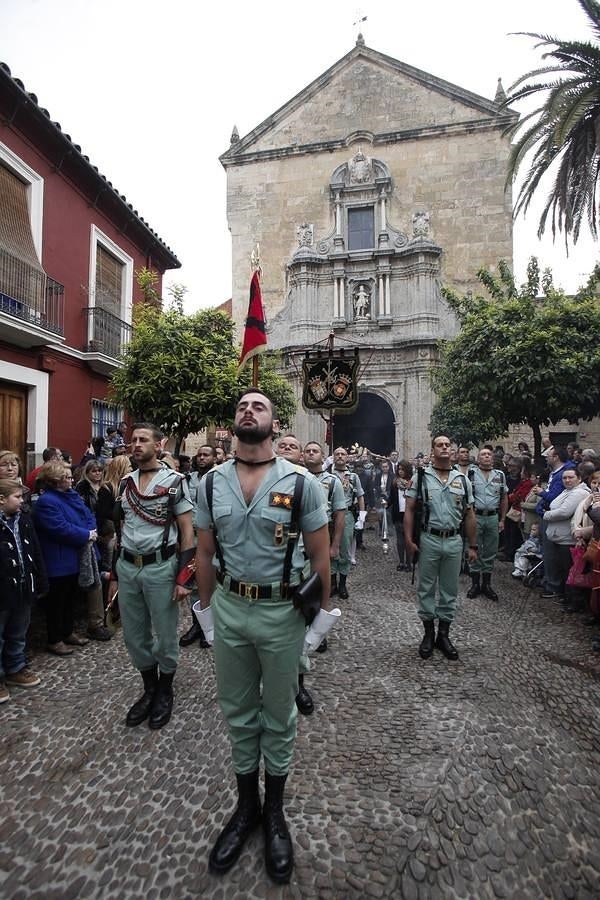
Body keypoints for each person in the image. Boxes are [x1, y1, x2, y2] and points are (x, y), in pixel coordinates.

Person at [194, 389, 330, 884]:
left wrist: (316, 629)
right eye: (242, 406)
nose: (248, 411)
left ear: (274, 422)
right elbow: (204, 554)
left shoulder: (301, 483)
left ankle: (274, 813)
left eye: (259, 407)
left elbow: (321, 558)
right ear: (234, 421)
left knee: (279, 715)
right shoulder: (210, 483)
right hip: (231, 608)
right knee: (237, 711)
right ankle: (245, 807)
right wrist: (208, 618)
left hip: (281, 613)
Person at [107, 423, 195, 730]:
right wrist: (115, 575)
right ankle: (149, 688)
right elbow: (120, 533)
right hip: (128, 567)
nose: (136, 444)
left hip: (161, 567)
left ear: (159, 445)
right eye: (133, 440)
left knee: (166, 634)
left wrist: (184, 578)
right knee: (133, 635)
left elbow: (187, 532)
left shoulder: (175, 482)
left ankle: (165, 689)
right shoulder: (125, 483)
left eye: (143, 439)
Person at [404, 435, 477, 661]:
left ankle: (443, 635)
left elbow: (469, 514)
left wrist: (473, 545)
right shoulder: (421, 477)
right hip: (429, 539)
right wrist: (408, 540)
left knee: (449, 589)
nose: (445, 447)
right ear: (433, 450)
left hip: (454, 540)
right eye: (440, 445)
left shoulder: (462, 480)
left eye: (447, 445)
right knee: (426, 587)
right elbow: (409, 509)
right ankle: (428, 634)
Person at [33, 462, 98, 656]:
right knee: (57, 602)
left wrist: (91, 530)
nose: (71, 480)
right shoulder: (47, 502)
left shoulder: (72, 495)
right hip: (58, 559)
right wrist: (86, 534)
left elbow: (88, 515)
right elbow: (59, 528)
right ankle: (55, 639)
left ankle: (68, 632)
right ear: (55, 480)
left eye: (70, 477)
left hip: (75, 556)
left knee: (70, 598)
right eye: (66, 477)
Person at [0, 479, 48, 703]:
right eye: (17, 497)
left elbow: (35, 549)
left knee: (18, 632)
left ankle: (15, 668)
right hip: (3, 590)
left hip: (24, 585)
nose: (22, 501)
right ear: (1, 499)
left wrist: (40, 578)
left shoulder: (24, 519)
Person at [179, 445, 217, 648]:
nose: (202, 458)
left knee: (213, 582)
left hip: (214, 536)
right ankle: (198, 625)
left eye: (206, 455)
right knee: (194, 581)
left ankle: (212, 625)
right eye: (199, 455)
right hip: (192, 536)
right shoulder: (187, 479)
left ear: (214, 458)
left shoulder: (220, 478)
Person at [75, 461, 113, 641]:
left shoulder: (105, 488)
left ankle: (105, 610)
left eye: (100, 470)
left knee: (104, 570)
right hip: (91, 536)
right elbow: (87, 513)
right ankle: (94, 619)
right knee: (95, 574)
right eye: (94, 471)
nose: (97, 473)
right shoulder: (82, 488)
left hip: (104, 533)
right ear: (87, 472)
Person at [466, 447, 508, 602]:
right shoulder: (471, 474)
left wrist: (502, 519)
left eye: (489, 454)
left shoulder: (500, 475)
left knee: (490, 550)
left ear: (493, 458)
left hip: (492, 517)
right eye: (483, 454)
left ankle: (487, 584)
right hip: (475, 516)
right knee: (474, 547)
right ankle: (475, 584)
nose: (486, 456)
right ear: (478, 459)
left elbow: (504, 498)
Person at [541, 469, 590, 601]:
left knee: (568, 569)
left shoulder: (579, 492)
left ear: (579, 478)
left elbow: (564, 512)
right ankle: (563, 595)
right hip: (559, 536)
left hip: (567, 538)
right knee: (561, 568)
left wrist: (545, 514)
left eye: (570, 477)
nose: (567, 480)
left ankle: (569, 598)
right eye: (564, 478)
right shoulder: (567, 491)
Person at [330, 446, 365, 599]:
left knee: (344, 549)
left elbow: (360, 496)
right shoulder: (327, 475)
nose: (339, 456)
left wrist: (362, 516)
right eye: (337, 454)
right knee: (329, 548)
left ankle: (342, 584)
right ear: (333, 457)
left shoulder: (353, 477)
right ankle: (332, 583)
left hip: (346, 514)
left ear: (347, 457)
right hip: (329, 515)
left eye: (342, 454)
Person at [388, 460, 413, 571]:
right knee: (400, 540)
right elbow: (392, 498)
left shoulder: (412, 482)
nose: (400, 471)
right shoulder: (395, 483)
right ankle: (401, 561)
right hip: (398, 513)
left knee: (408, 539)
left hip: (409, 514)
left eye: (403, 469)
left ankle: (409, 562)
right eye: (399, 469)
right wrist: (386, 503)